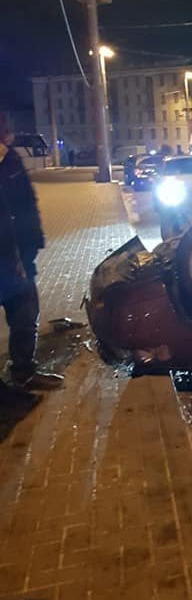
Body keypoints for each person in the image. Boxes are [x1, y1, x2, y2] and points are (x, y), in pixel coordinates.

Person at [0, 115, 63, 392]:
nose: (8, 135)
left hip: (19, 258)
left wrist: (34, 241)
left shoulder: (11, 160)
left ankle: (24, 371)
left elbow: (28, 203)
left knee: (26, 315)